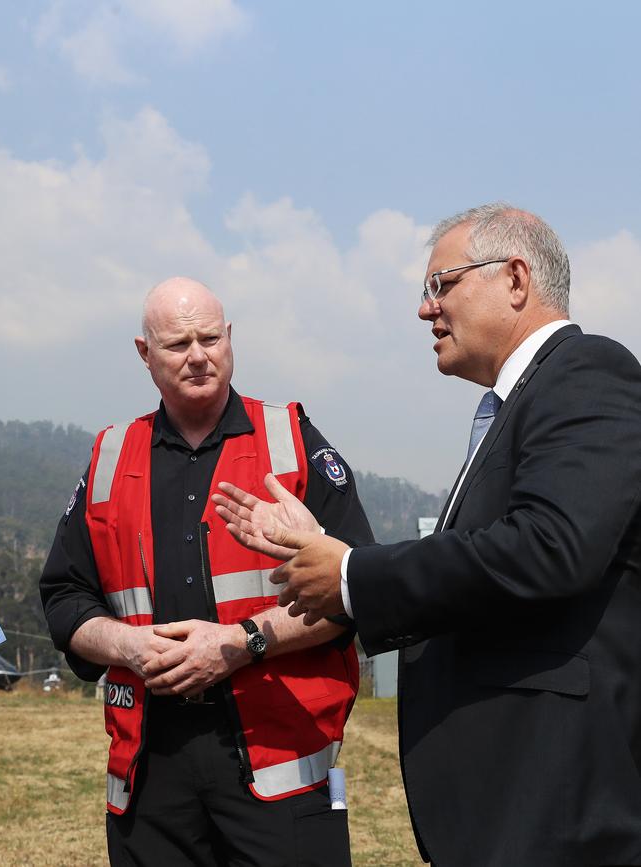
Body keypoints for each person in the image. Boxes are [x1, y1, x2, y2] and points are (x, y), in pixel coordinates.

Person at [216, 205, 641, 867]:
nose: (425, 309)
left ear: (516, 279)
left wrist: (354, 575)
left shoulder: (586, 372)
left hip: (555, 811)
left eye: (441, 284)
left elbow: (551, 545)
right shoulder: (516, 403)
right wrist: (325, 551)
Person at [40, 277, 373, 867]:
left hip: (278, 762)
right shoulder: (111, 457)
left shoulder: (292, 442)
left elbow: (360, 589)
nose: (198, 355)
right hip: (151, 766)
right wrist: (127, 644)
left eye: (210, 338)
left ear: (230, 339)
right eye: (177, 344)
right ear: (144, 354)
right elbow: (66, 598)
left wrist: (240, 644)